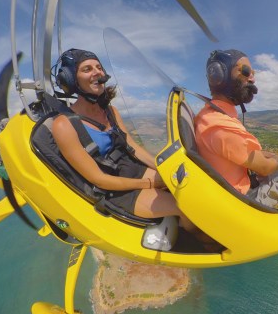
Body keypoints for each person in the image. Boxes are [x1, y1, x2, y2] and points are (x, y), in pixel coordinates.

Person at [51, 48, 199, 234]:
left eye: (99, 67)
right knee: (187, 206)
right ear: (72, 80)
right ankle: (201, 244)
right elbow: (99, 179)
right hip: (114, 189)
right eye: (87, 69)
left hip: (131, 169)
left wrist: (164, 168)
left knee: (190, 186)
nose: (97, 72)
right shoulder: (64, 125)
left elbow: (133, 147)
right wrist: (151, 184)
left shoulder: (110, 112)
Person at [194, 49, 278, 213]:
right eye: (246, 71)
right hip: (244, 198)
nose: (252, 78)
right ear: (221, 76)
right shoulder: (221, 127)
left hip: (234, 184)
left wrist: (275, 156)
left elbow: (242, 152)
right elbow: (265, 168)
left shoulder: (209, 115)